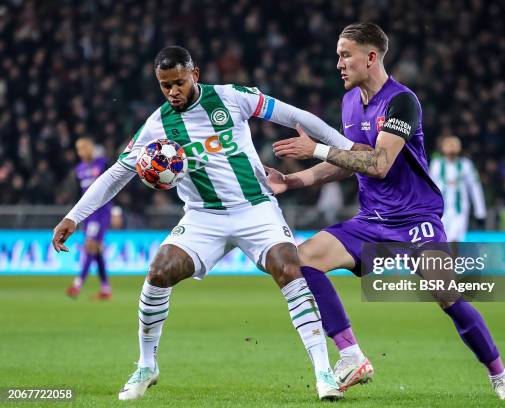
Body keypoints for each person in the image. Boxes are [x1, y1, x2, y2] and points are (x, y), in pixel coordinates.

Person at [51, 46, 359, 401]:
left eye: (178, 82)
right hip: (203, 216)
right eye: (165, 86)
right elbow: (117, 173)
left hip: (255, 207)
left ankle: (323, 373)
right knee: (159, 271)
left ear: (194, 74)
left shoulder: (232, 97)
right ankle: (147, 364)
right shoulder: (157, 125)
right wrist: (74, 216)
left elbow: (297, 117)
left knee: (290, 268)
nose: (172, 92)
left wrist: (348, 146)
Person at [267, 22, 505, 400]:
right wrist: (292, 182)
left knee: (448, 298)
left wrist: (316, 148)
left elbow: (379, 163)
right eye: (338, 55)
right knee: (301, 260)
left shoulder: (402, 101)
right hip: (371, 220)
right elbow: (350, 160)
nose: (338, 63)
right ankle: (351, 354)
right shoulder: (350, 101)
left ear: (371, 57)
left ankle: (500, 376)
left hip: (416, 219)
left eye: (345, 54)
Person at [66, 137, 112, 300]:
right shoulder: (78, 170)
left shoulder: (103, 163)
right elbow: (79, 196)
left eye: (84, 147)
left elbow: (116, 184)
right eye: (79, 149)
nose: (81, 151)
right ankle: (106, 289)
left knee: (90, 246)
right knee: (96, 250)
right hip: (87, 214)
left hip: (101, 212)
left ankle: (77, 284)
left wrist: (117, 211)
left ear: (92, 148)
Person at [429, 135, 487, 253]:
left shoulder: (466, 165)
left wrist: (480, 211)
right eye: (448, 145)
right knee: (441, 238)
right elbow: (429, 187)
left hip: (459, 210)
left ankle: (452, 267)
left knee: (455, 238)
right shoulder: (436, 165)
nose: (451, 149)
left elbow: (475, 188)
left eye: (454, 145)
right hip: (440, 209)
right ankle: (441, 266)